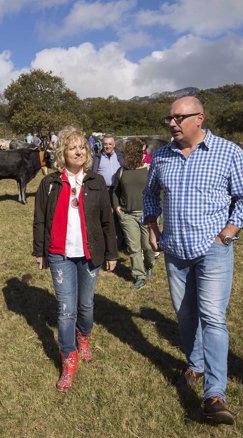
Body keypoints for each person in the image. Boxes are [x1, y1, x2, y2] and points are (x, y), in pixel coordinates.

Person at [142, 96, 243, 425]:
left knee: (213, 318)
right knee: (185, 315)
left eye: (179, 118)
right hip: (175, 249)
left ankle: (214, 393)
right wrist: (152, 225)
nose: (172, 123)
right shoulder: (163, 155)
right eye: (170, 118)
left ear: (200, 118)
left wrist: (227, 233)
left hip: (214, 249)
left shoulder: (228, 152)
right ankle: (195, 364)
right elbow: (150, 193)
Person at [33, 126, 119, 392]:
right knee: (65, 309)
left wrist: (112, 253)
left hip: (90, 254)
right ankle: (68, 359)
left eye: (82, 147)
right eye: (73, 147)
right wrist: (40, 251)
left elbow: (107, 220)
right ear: (63, 153)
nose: (79, 151)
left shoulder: (96, 183)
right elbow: (40, 219)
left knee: (86, 307)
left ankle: (84, 337)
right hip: (60, 254)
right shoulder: (50, 184)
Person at [112, 138, 155, 290]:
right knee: (134, 247)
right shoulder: (122, 171)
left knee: (148, 246)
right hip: (127, 215)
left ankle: (149, 265)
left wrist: (157, 212)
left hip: (147, 215)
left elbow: (157, 193)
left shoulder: (149, 169)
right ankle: (140, 276)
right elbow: (115, 192)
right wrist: (117, 209)